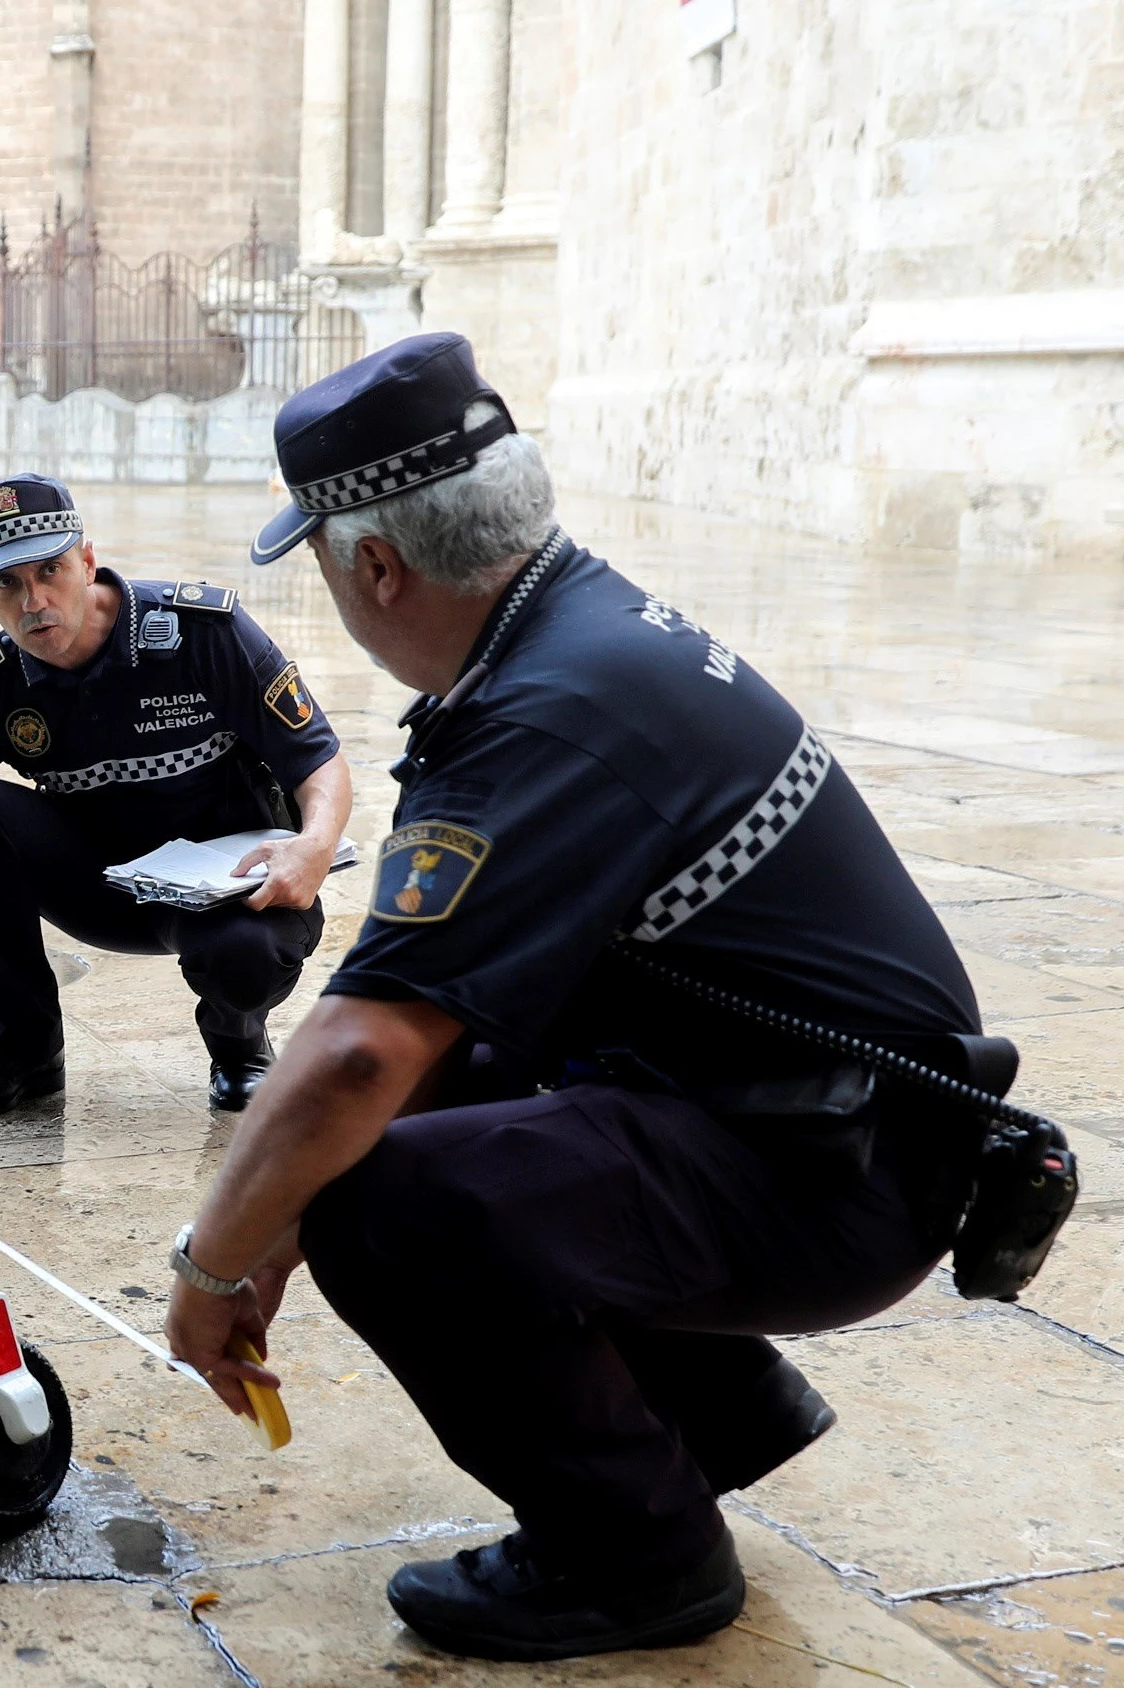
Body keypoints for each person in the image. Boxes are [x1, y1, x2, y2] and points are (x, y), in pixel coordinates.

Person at [161, 333, 996, 1662]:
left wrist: (215, 1261)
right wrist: (276, 1220)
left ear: (376, 564)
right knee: (453, 1091)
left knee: (387, 1207)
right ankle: (713, 1425)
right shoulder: (576, 629)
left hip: (843, 1172)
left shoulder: (543, 715)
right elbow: (427, 1027)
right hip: (832, 1124)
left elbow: (356, 1059)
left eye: (321, 562)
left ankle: (636, 1557)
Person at [0, 472, 354, 1120]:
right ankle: (21, 1056)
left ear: (88, 560)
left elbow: (318, 761)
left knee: (245, 955)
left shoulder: (203, 633)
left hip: (222, 890)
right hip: (98, 887)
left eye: (50, 570)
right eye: (7, 584)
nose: (34, 600)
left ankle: (239, 1051)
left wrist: (315, 847)